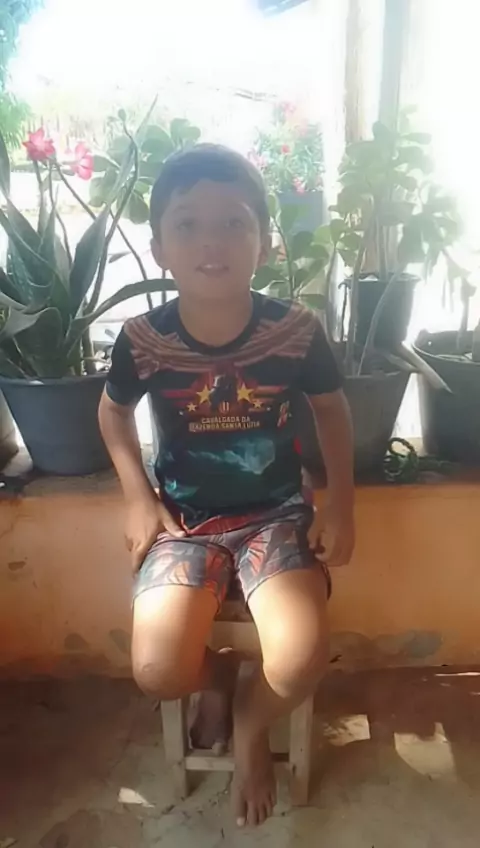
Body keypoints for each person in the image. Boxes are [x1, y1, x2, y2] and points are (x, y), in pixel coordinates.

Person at [98, 144, 354, 828]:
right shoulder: (143, 340)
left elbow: (332, 410)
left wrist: (341, 506)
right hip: (184, 524)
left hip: (277, 517)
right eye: (188, 224)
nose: (211, 241)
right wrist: (137, 498)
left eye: (233, 222)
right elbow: (112, 413)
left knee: (298, 663)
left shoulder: (295, 333)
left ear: (263, 242)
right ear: (159, 248)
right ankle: (217, 678)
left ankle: (250, 723)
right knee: (159, 672)